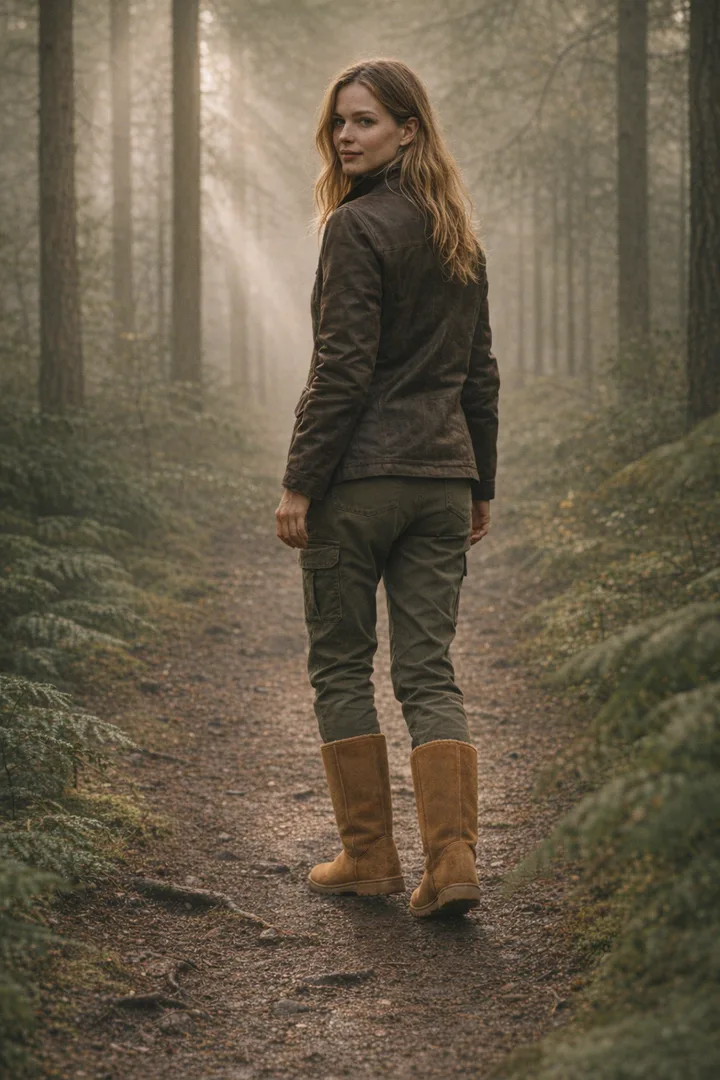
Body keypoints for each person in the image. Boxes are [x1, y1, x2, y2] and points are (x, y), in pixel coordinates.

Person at [275, 58, 499, 917]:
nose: (344, 136)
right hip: (441, 483)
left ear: (410, 129)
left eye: (364, 121)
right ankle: (452, 864)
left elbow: (340, 371)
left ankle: (368, 858)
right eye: (339, 122)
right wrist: (478, 479)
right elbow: (478, 377)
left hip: (360, 484)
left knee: (340, 664)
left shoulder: (356, 227)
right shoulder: (457, 237)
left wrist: (301, 482)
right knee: (428, 672)